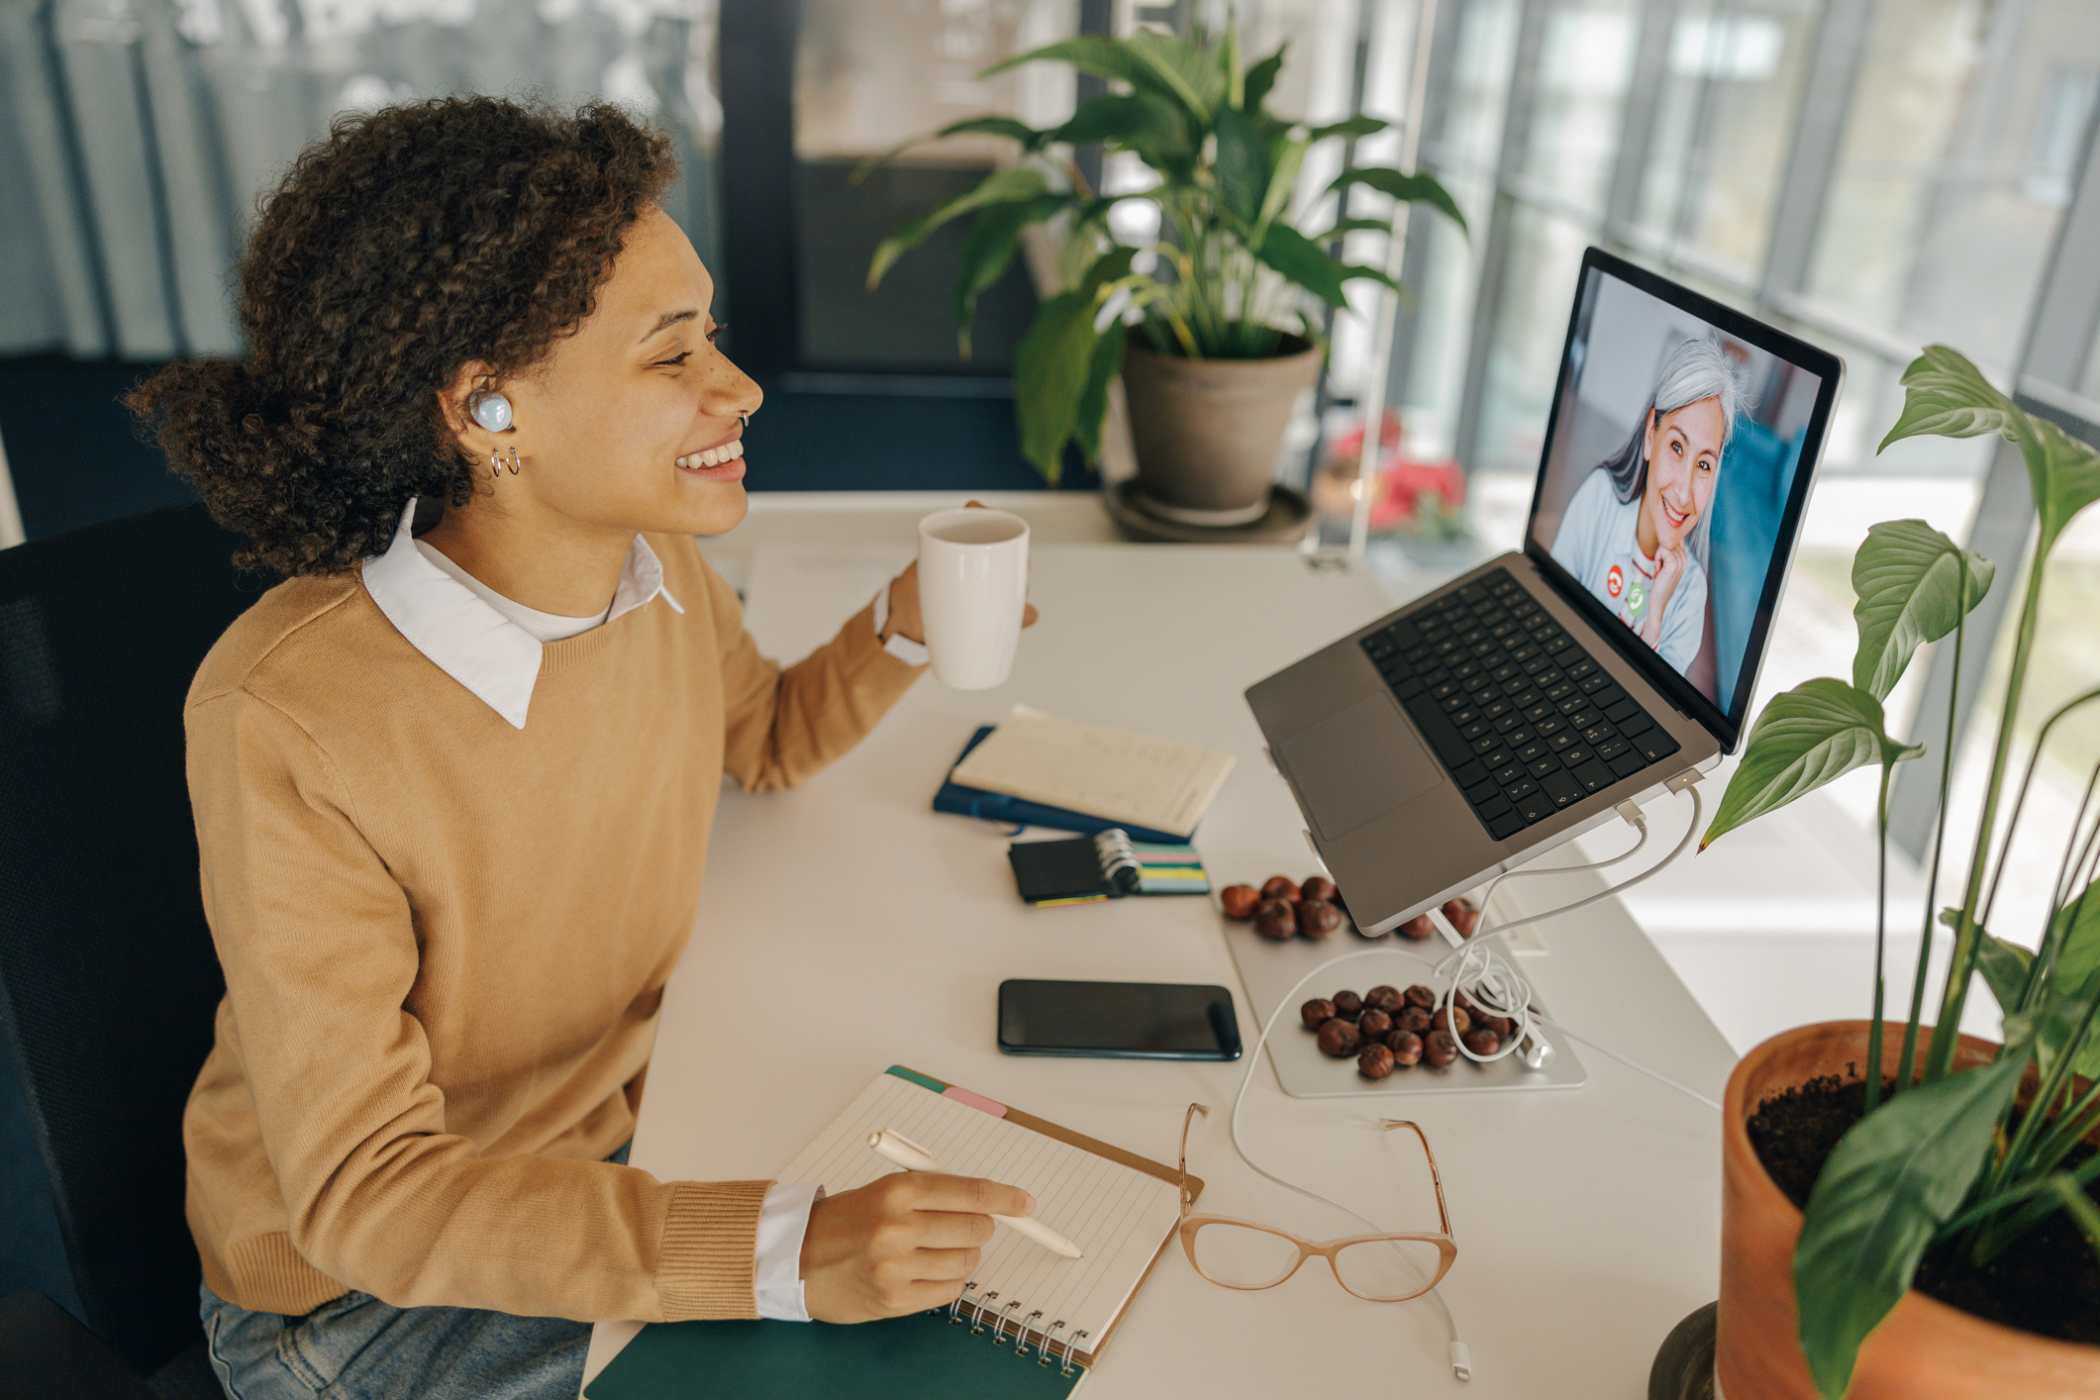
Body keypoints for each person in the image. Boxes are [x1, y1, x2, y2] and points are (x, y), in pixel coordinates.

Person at [123, 95, 1038, 1400]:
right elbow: (365, 1193)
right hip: (369, 1300)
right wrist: (776, 1253)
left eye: (709, 334)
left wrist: (900, 626)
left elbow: (761, 739)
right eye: (671, 358)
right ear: (490, 413)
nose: (742, 387)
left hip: (613, 1158)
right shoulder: (291, 717)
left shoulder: (648, 565)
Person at [1548, 330, 1748, 679]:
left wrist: (1654, 616)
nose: (1684, 494)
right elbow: (1548, 606)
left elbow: (1653, 705)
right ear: (1650, 437)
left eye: (1704, 465)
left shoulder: (1690, 590)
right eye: (1676, 447)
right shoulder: (1599, 499)